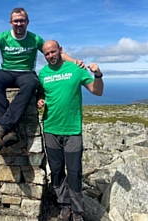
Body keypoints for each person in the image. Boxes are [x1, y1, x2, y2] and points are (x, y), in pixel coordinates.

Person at [0, 7, 84, 150]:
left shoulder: (35, 39)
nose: (19, 24)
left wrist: (74, 61)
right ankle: (9, 130)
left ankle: (1, 126)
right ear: (10, 22)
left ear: (27, 22)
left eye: (22, 21)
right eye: (16, 21)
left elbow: (53, 52)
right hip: (6, 71)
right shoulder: (2, 37)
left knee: (31, 84)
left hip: (26, 73)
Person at [37, 40, 104, 221]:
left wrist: (98, 75)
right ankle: (64, 205)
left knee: (74, 172)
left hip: (72, 130)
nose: (50, 56)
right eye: (47, 54)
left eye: (53, 52)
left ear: (60, 50)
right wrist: (40, 100)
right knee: (57, 171)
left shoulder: (76, 69)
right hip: (50, 129)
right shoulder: (42, 73)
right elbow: (40, 93)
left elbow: (97, 92)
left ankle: (77, 210)